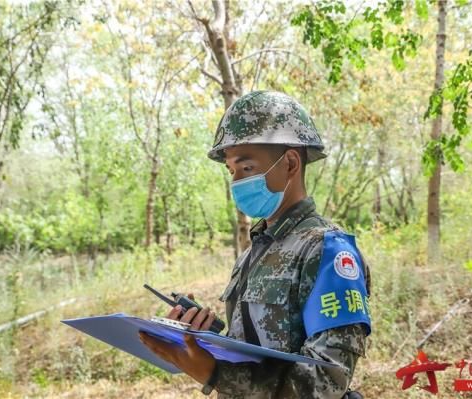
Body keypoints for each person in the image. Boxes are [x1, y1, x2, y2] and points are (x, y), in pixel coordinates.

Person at [139, 91, 372, 398]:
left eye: (246, 168)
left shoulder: (327, 250)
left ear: (290, 163)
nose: (237, 182)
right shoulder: (255, 252)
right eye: (232, 171)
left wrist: (214, 372)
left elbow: (326, 379)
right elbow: (261, 349)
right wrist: (205, 340)